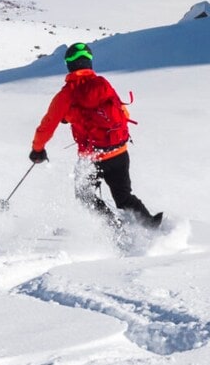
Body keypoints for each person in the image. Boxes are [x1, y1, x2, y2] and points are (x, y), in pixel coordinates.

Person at [29, 42, 161, 228]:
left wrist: (37, 150)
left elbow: (47, 125)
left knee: (85, 195)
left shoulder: (66, 95)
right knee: (123, 197)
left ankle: (114, 229)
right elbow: (124, 114)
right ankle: (152, 227)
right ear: (89, 63)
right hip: (119, 151)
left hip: (92, 157)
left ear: (69, 65)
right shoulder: (104, 85)